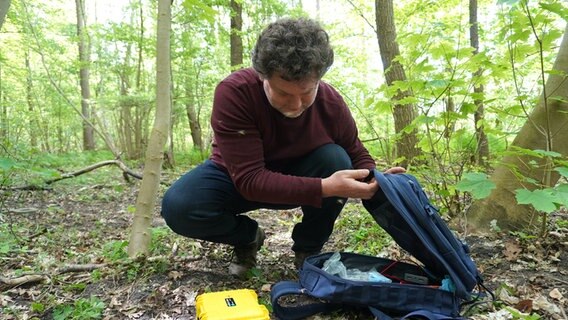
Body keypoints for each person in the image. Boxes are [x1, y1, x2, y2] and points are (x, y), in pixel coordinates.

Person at [161, 17, 404, 278]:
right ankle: (247, 237)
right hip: (238, 177)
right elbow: (250, 179)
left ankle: (308, 250)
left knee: (337, 159)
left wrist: (378, 179)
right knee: (179, 206)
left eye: (306, 92)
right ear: (262, 75)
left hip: (303, 173)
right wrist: (326, 187)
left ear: (318, 80)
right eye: (284, 93)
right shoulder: (235, 93)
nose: (295, 104)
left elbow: (355, 151)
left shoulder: (330, 102)